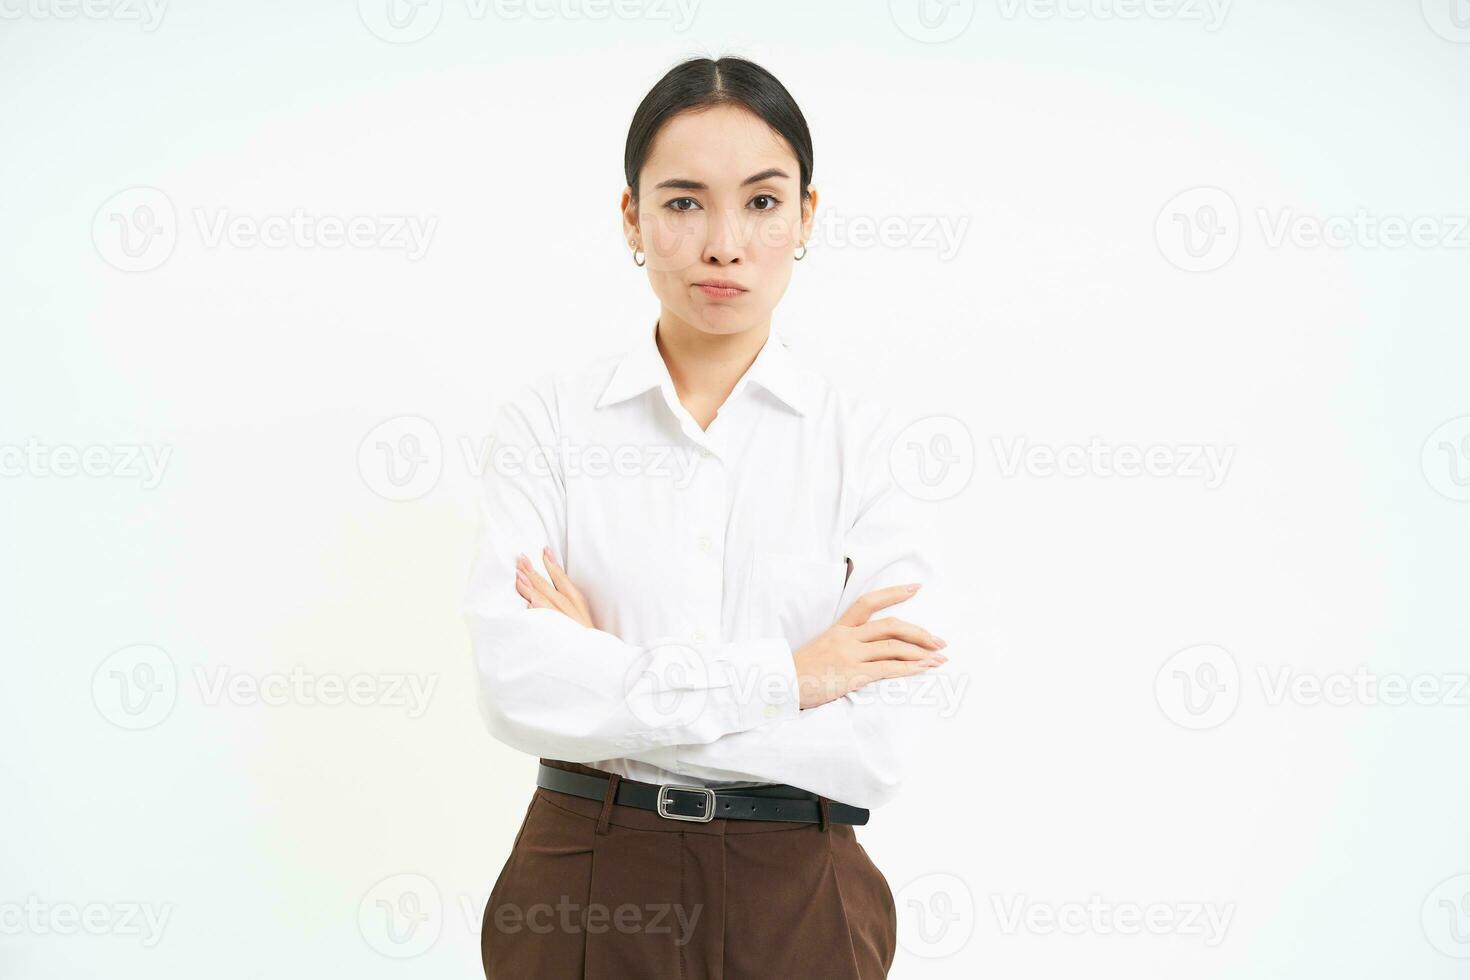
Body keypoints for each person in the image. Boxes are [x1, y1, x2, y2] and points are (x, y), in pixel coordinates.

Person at [464, 54, 950, 979]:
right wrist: (794, 676)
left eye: (763, 203)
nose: (724, 243)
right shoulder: (550, 426)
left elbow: (881, 745)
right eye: (684, 202)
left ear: (807, 216)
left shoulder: (868, 444)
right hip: (587, 875)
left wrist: (611, 683)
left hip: (798, 887)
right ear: (631, 219)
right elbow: (517, 684)